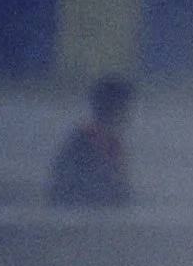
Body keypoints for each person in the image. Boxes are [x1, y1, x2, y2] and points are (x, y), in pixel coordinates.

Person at [48, 75, 132, 207]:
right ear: (116, 111)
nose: (129, 115)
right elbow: (65, 191)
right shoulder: (81, 145)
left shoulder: (112, 143)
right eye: (126, 109)